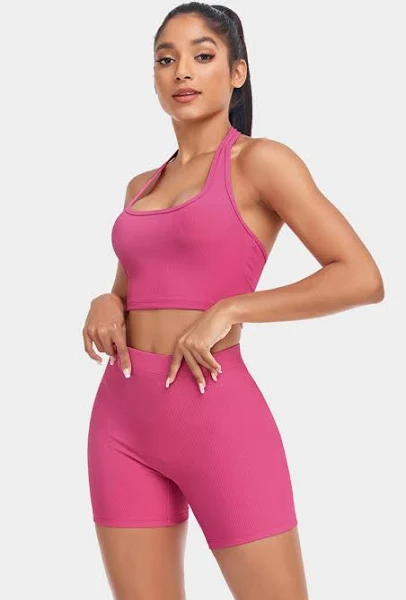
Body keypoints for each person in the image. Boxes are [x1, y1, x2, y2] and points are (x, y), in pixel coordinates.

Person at [83, 3, 385, 598]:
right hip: (121, 418)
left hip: (214, 416)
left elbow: (361, 277)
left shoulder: (259, 162)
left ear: (237, 73)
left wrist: (232, 308)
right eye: (166, 59)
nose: (181, 71)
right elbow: (132, 288)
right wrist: (104, 300)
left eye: (202, 56)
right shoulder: (140, 186)